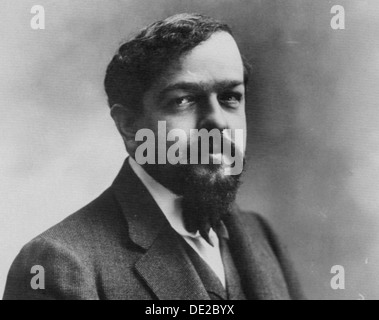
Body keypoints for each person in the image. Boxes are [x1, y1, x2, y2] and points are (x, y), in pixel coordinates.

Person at [3, 13, 304, 300]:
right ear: (129, 126)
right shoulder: (59, 263)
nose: (219, 122)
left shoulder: (260, 235)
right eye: (183, 100)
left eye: (230, 97)